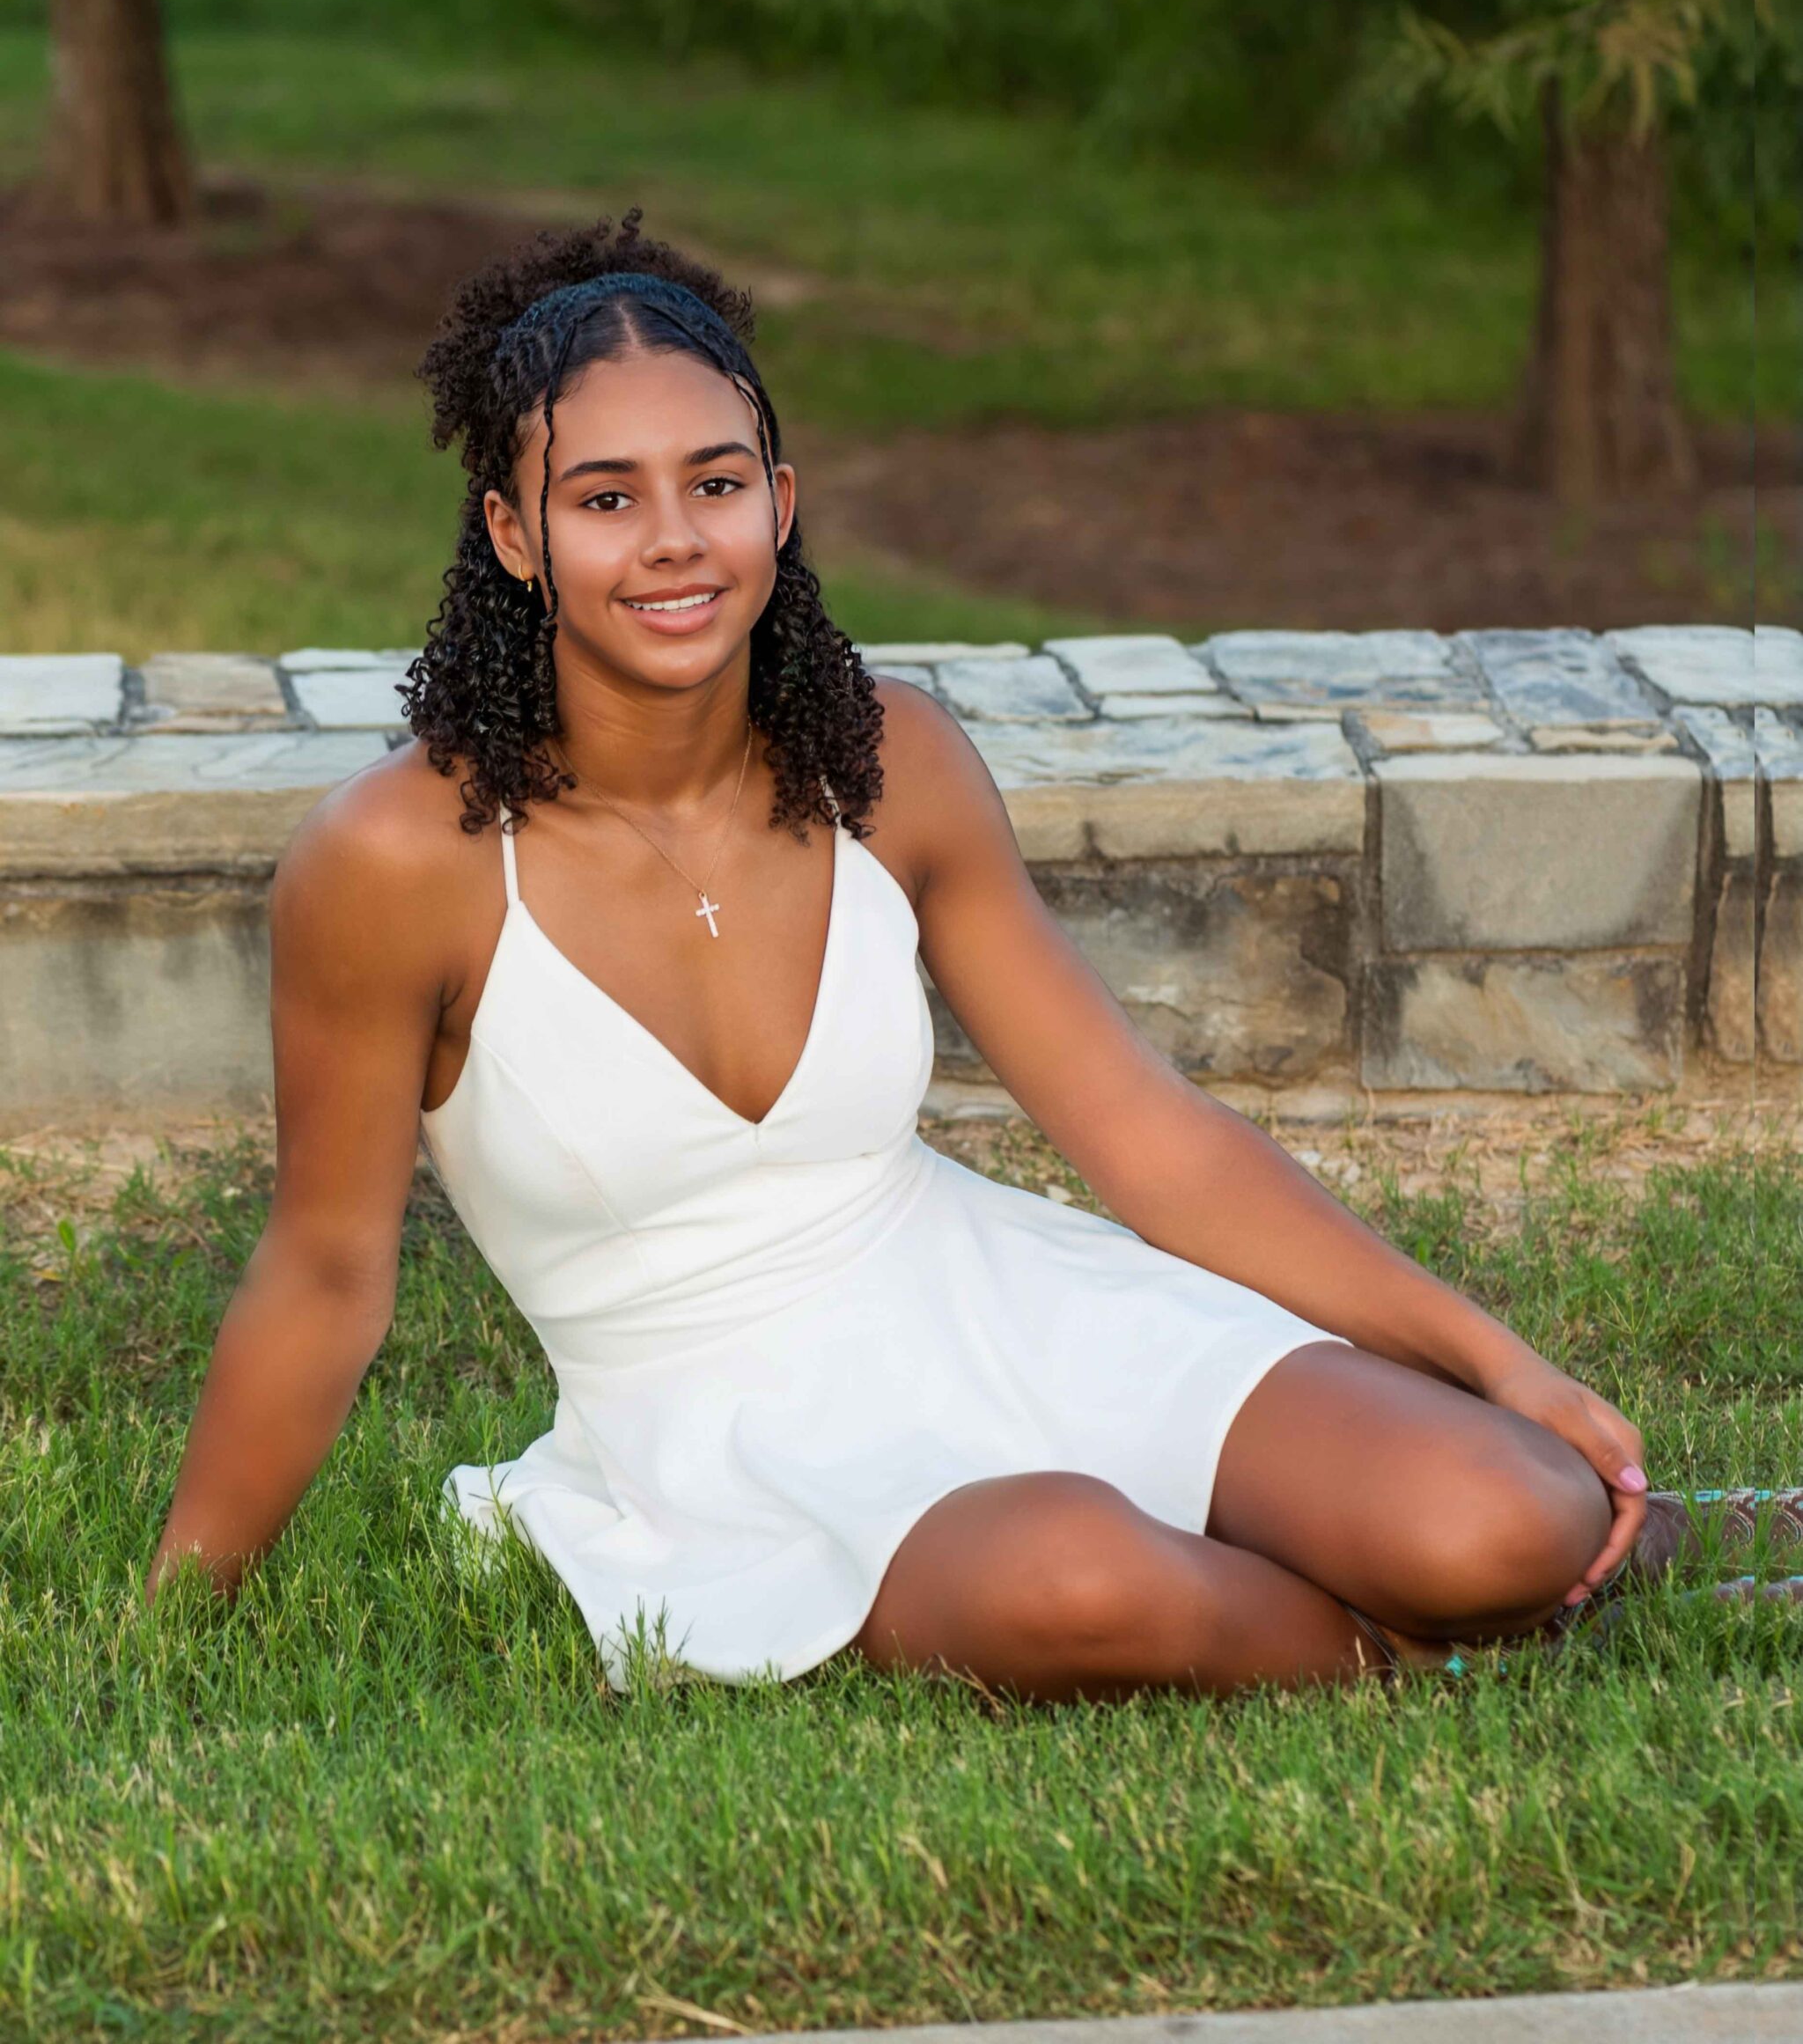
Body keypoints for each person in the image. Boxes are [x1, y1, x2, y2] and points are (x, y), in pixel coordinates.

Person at [144, 210, 1799, 1702]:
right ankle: (1454, 1636)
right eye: (605, 498)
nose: (672, 542)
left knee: (1499, 1512)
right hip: (718, 1427)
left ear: (779, 508)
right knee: (1073, 1576)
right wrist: (171, 1620)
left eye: (715, 484)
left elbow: (1149, 1136)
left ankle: (1550, 1569)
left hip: (993, 1296)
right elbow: (328, 1275)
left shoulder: (889, 761)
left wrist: (1502, 1365)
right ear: (515, 536)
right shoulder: (396, 864)